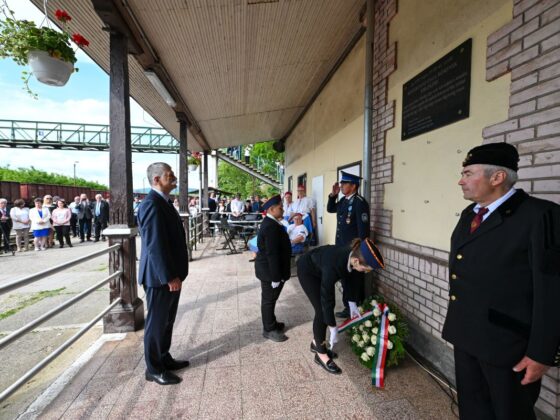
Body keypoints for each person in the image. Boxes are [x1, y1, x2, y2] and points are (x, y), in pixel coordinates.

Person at [442, 143, 560, 420]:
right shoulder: (471, 214)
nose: (461, 180)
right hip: (467, 334)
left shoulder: (540, 216)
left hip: (508, 347)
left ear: (497, 178)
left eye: (468, 173)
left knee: (509, 414)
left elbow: (552, 290)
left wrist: (542, 353)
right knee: (472, 410)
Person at [296, 237, 384, 374]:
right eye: (365, 269)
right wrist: (332, 326)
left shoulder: (352, 257)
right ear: (356, 261)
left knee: (324, 310)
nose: (366, 272)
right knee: (321, 311)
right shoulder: (334, 265)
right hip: (307, 271)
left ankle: (315, 343)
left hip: (321, 267)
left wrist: (352, 303)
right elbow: (327, 298)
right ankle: (320, 354)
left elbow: (351, 279)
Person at [137, 162, 190, 386]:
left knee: (167, 321)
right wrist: (169, 276)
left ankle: (164, 356)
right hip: (160, 278)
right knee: (157, 323)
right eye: (170, 175)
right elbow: (154, 245)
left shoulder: (163, 202)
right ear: (157, 179)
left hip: (170, 274)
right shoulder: (151, 204)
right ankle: (154, 368)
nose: (174, 178)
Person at [326, 171, 370, 319]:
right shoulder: (344, 201)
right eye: (342, 183)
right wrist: (333, 195)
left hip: (353, 249)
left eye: (344, 184)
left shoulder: (359, 202)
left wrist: (359, 252)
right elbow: (331, 209)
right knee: (345, 277)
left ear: (353, 186)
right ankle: (348, 305)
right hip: (342, 247)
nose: (342, 186)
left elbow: (363, 231)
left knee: (354, 278)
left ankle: (356, 303)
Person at [255, 194, 292, 342]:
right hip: (269, 272)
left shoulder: (273, 223)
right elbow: (272, 253)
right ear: (271, 209)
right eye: (280, 207)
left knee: (271, 299)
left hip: (271, 270)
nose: (282, 209)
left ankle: (272, 322)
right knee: (269, 300)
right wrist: (276, 277)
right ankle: (268, 329)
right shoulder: (270, 226)